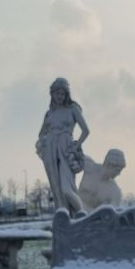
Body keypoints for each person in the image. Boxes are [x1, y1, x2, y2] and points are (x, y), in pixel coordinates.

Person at [35, 78, 89, 214]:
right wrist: (45, 141)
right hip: (51, 150)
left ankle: (83, 216)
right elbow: (41, 134)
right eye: (57, 93)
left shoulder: (73, 109)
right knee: (57, 189)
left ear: (66, 95)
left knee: (67, 188)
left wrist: (77, 145)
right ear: (52, 94)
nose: (60, 96)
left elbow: (86, 130)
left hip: (66, 149)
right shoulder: (49, 113)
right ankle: (64, 218)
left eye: (62, 94)